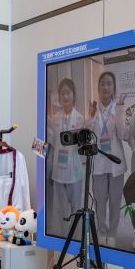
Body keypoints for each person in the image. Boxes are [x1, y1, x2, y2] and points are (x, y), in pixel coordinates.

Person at [86, 71, 128, 245]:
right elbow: (87, 135)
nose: (106, 87)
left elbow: (123, 134)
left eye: (109, 84)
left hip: (115, 164)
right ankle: (101, 231)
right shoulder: (93, 110)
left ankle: (111, 234)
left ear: (113, 88)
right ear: (98, 87)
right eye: (103, 83)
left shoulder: (118, 108)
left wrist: (120, 112)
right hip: (99, 163)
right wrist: (90, 117)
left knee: (115, 201)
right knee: (100, 201)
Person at [47, 77, 85, 231]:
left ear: (74, 95)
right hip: (58, 171)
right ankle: (63, 235)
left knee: (76, 208)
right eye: (62, 93)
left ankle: (75, 237)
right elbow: (52, 142)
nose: (65, 96)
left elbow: (81, 144)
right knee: (61, 209)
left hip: (74, 170)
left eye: (68, 93)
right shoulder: (54, 118)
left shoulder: (80, 118)